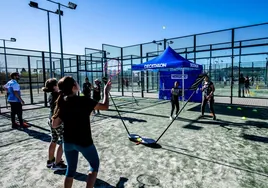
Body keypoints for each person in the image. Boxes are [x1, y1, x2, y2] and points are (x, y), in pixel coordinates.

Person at [52, 76, 111, 188]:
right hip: (84, 141)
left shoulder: (63, 102)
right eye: (76, 82)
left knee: (70, 170)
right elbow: (105, 106)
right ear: (74, 87)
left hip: (68, 142)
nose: (78, 83)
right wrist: (106, 91)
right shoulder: (83, 100)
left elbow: (55, 124)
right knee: (94, 166)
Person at [42, 78, 67, 171]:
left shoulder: (51, 95)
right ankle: (57, 163)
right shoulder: (58, 95)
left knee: (54, 140)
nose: (59, 85)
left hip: (51, 120)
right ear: (54, 86)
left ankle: (50, 161)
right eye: (57, 84)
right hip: (58, 122)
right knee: (65, 141)